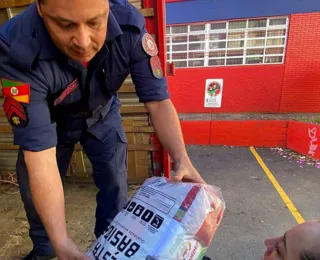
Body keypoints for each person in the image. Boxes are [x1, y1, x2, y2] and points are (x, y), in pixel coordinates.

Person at [0, 0, 206, 259]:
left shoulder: (129, 26)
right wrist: (62, 240)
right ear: (40, 10)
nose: (84, 42)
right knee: (32, 190)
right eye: (65, 25)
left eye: (95, 22)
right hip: (52, 123)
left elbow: (158, 101)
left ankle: (110, 246)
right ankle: (46, 248)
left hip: (102, 115)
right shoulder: (15, 47)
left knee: (114, 184)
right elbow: (39, 155)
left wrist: (181, 158)